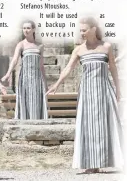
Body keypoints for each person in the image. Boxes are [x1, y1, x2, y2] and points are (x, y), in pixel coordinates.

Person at [46, 17, 123, 173]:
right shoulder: (79, 50)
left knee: (106, 125)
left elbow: (113, 69)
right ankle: (91, 164)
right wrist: (56, 84)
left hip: (104, 90)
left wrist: (118, 90)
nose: (81, 33)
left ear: (93, 29)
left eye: (84, 30)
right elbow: (68, 68)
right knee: (88, 127)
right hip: (87, 92)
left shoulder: (106, 47)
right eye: (80, 30)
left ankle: (109, 161)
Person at [1, 20, 48, 120]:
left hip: (37, 79)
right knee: (25, 100)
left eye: (28, 28)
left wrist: (45, 82)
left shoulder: (40, 46)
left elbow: (41, 66)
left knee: (36, 101)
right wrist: (8, 73)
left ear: (33, 29)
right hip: (25, 78)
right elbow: (14, 60)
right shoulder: (21, 45)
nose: (26, 30)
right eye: (24, 28)